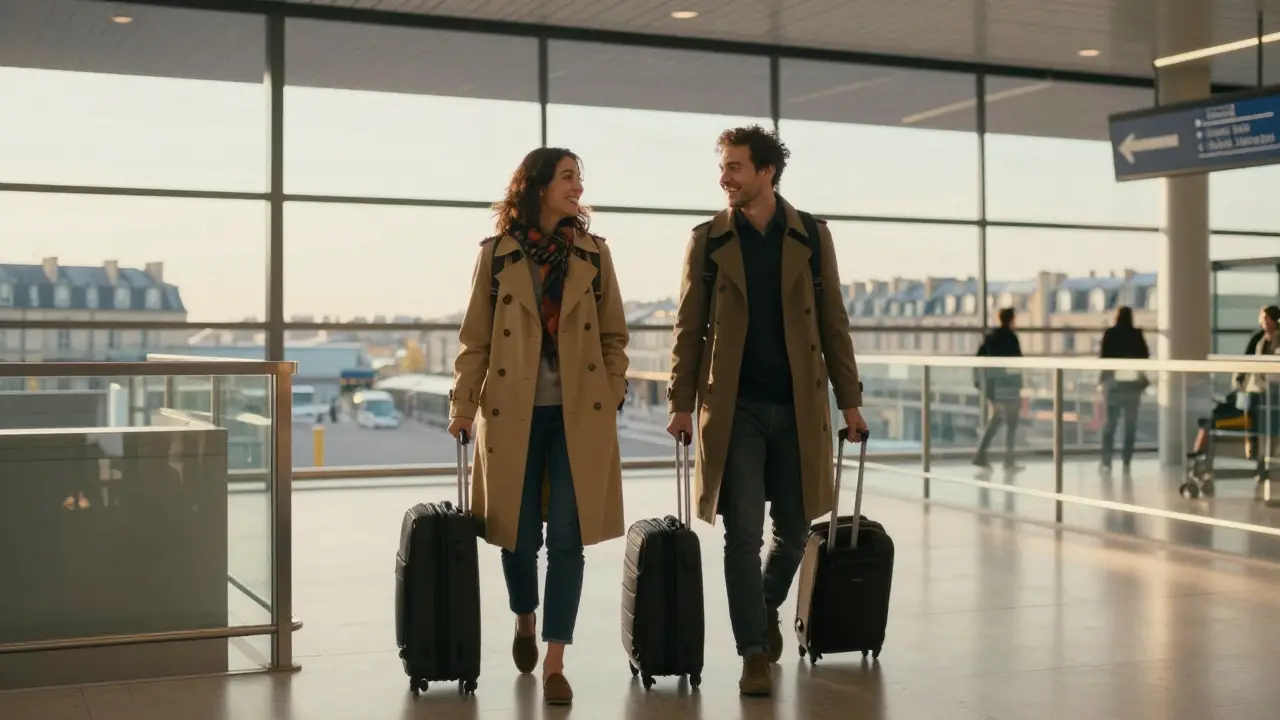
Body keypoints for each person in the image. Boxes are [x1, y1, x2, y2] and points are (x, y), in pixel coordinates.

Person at [666, 125, 867, 698]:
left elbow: (834, 322)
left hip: (800, 405)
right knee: (742, 535)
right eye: (723, 166)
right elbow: (689, 328)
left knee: (797, 529)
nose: (724, 177)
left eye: (734, 167)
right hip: (735, 409)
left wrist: (850, 402)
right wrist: (681, 403)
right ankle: (753, 651)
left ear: (766, 173)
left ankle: (763, 607)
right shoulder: (708, 240)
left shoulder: (810, 235)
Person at [447, 147, 630, 706]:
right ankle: (525, 618)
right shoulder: (498, 255)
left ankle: (555, 660)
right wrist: (461, 405)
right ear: (539, 186)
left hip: (580, 417)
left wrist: (613, 388)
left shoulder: (594, 255)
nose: (578, 186)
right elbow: (475, 339)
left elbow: (614, 335)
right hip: (511, 414)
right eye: (568, 176)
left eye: (580, 177)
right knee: (517, 537)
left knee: (569, 542)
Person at [1098, 305, 1151, 472]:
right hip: (1132, 386)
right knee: (1130, 425)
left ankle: (1106, 460)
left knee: (1110, 425)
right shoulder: (1136, 335)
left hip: (1113, 386)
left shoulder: (1110, 334)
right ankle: (1127, 459)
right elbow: (1145, 356)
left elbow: (1103, 357)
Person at [973, 307, 1023, 469]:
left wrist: (980, 381)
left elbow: (979, 358)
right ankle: (1007, 459)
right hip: (1009, 384)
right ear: (1011, 319)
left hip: (994, 385)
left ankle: (981, 453)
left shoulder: (991, 337)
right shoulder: (1011, 338)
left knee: (998, 419)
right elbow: (1018, 362)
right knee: (1011, 422)